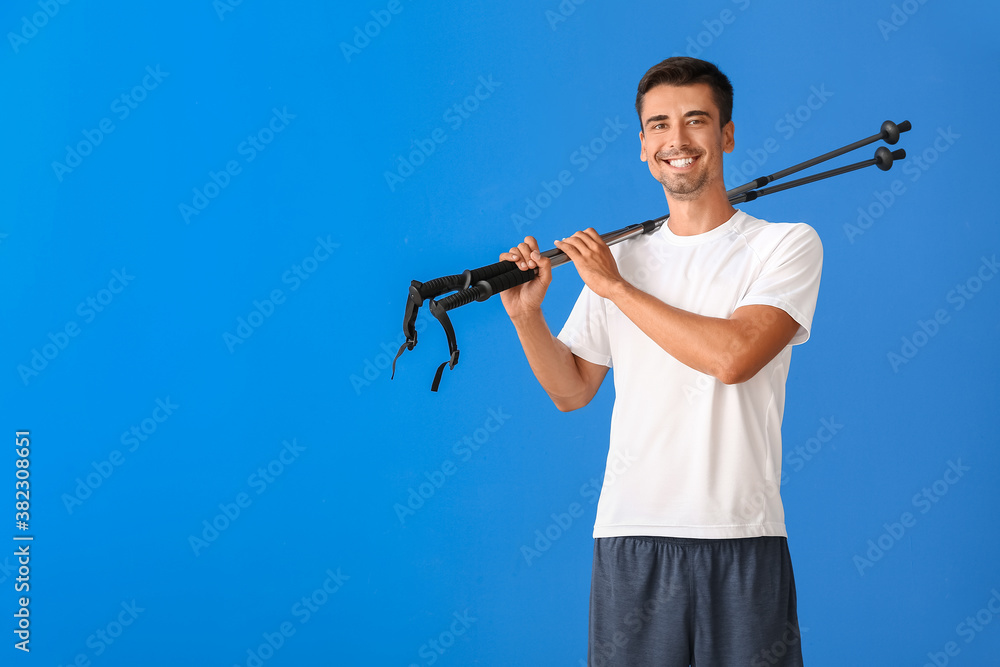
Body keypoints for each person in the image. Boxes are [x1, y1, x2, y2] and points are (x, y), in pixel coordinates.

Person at [499, 57, 822, 666]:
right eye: (659, 125)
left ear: (725, 135)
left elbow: (734, 357)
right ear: (643, 146)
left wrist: (615, 287)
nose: (677, 140)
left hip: (740, 535)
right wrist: (527, 316)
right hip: (631, 533)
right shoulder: (624, 258)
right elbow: (571, 390)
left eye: (696, 120)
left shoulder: (785, 244)